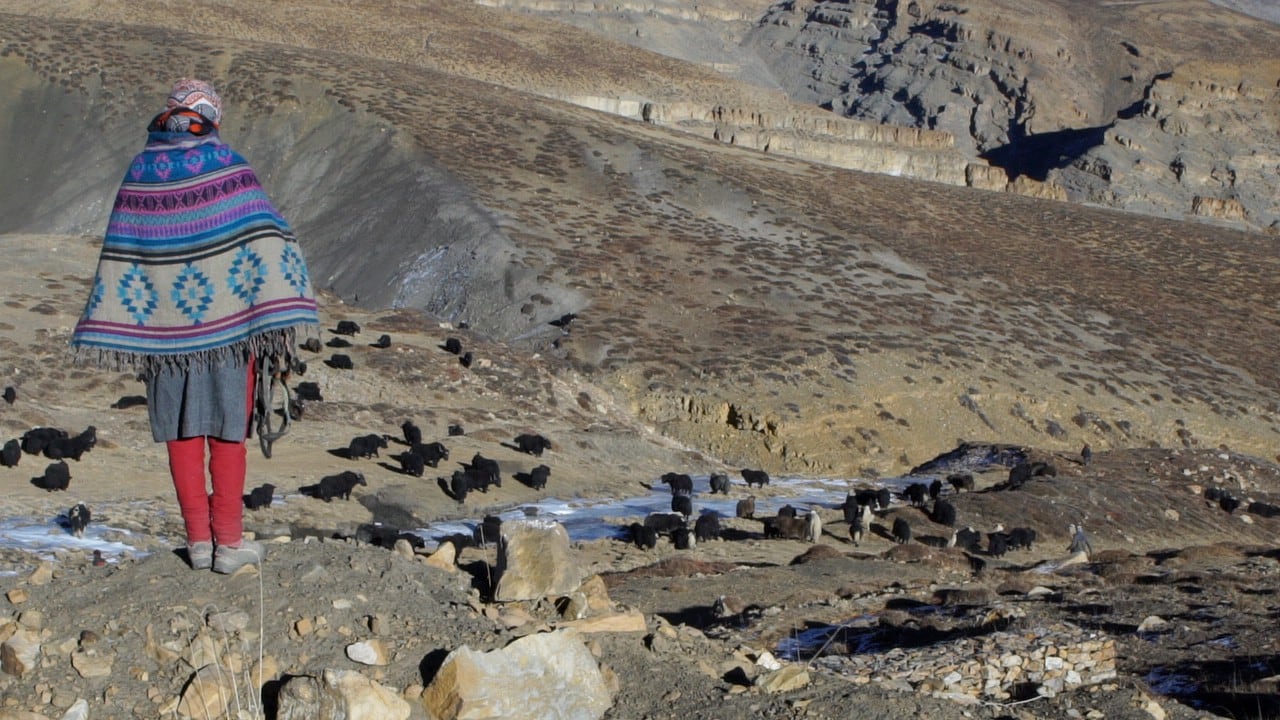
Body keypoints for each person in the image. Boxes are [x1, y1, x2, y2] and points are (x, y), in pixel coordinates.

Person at [71, 79, 319, 573]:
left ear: (170, 116)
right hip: (229, 337)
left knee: (182, 433)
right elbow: (270, 235)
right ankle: (228, 544)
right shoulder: (229, 166)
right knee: (228, 432)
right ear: (211, 118)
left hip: (167, 340)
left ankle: (199, 543)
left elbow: (125, 250)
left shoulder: (142, 170)